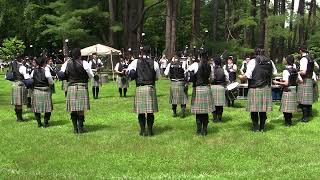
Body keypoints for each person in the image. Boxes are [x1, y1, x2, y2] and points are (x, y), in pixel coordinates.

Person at [239, 47, 277, 132]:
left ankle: (256, 127)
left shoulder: (253, 61)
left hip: (255, 87)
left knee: (254, 109)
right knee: (263, 109)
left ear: (255, 53)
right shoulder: (270, 61)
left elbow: (248, 75)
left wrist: (241, 77)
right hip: (266, 87)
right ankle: (262, 127)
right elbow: (274, 73)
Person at [126, 46, 160, 136]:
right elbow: (157, 77)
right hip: (150, 88)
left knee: (141, 112)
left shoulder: (135, 62)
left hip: (140, 88)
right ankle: (149, 130)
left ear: (141, 52)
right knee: (150, 112)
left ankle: (142, 130)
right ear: (149, 52)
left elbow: (129, 73)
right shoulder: (155, 63)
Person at [60, 48, 94, 134]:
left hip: (71, 87)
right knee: (81, 109)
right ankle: (80, 128)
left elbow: (61, 74)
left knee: (73, 109)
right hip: (82, 86)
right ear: (80, 55)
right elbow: (91, 75)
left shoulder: (66, 63)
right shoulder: (84, 63)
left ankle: (75, 128)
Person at [188, 51, 213, 136]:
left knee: (198, 112)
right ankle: (205, 130)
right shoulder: (210, 66)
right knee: (205, 112)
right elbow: (212, 78)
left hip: (198, 89)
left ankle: (199, 130)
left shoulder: (195, 65)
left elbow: (188, 73)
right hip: (206, 89)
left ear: (200, 57)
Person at [273, 55, 301, 126]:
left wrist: (277, 82)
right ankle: (290, 122)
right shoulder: (295, 70)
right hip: (294, 89)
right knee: (290, 108)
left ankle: (287, 123)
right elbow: (300, 80)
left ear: (287, 61)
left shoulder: (286, 71)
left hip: (287, 90)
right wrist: (293, 82)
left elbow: (286, 83)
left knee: (286, 108)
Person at [31, 57, 54, 128]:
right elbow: (51, 82)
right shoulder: (46, 71)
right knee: (48, 108)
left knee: (36, 109)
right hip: (45, 91)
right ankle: (46, 122)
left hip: (36, 91)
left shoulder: (33, 71)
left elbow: (30, 80)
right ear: (44, 63)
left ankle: (39, 123)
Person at [164, 52, 188, 118]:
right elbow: (186, 73)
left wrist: (170, 76)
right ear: (180, 57)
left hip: (173, 82)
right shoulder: (183, 64)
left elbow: (165, 73)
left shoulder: (170, 64)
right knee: (183, 98)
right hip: (181, 82)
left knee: (174, 98)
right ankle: (183, 111)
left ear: (174, 57)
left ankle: (174, 112)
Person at [297, 45, 314, 123]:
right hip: (310, 79)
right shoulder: (310, 58)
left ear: (301, 50)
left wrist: (296, 72)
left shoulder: (303, 59)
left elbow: (303, 71)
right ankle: (309, 114)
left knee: (303, 100)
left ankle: (304, 118)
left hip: (304, 80)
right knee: (307, 99)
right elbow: (316, 67)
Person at [11, 55, 31, 122]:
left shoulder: (14, 66)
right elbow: (27, 78)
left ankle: (17, 117)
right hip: (20, 84)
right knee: (19, 103)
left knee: (16, 103)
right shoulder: (22, 67)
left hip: (14, 84)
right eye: (25, 59)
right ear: (22, 60)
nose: (26, 60)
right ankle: (19, 118)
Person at [210, 57, 229, 123]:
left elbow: (211, 79)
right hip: (221, 87)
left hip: (213, 87)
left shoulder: (212, 70)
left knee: (213, 104)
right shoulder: (224, 70)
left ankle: (214, 118)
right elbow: (227, 79)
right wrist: (225, 85)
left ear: (215, 63)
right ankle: (220, 118)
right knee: (220, 105)